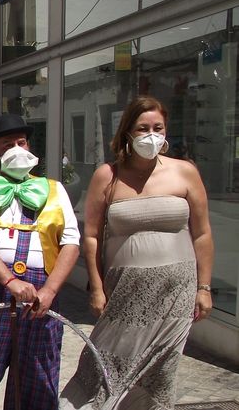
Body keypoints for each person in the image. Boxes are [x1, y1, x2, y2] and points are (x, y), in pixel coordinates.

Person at [60, 96, 213, 409]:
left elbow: (202, 233)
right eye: (143, 128)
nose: (151, 134)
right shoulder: (108, 175)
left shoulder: (185, 172)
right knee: (106, 363)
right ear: (127, 132)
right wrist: (97, 288)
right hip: (125, 292)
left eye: (158, 127)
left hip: (176, 292)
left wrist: (204, 287)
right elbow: (90, 235)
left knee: (161, 372)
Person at [0, 113, 80, 410]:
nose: (17, 148)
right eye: (8, 144)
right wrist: (9, 280)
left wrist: (50, 291)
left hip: (41, 297)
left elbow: (71, 243)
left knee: (38, 379)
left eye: (21, 142)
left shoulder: (54, 189)